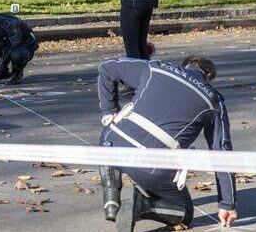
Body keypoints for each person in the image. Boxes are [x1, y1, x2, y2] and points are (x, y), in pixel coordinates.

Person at [96, 56, 237, 231]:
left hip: (113, 144)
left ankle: (111, 197)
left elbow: (107, 67)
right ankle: (142, 205)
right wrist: (227, 203)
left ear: (184, 65)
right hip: (153, 166)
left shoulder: (156, 68)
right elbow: (221, 152)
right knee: (185, 214)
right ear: (208, 76)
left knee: (111, 132)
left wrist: (110, 111)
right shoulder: (214, 101)